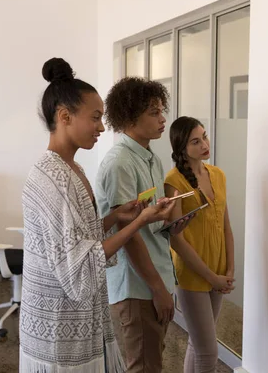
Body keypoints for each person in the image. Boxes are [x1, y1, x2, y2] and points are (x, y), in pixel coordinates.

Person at [20, 58, 175, 373]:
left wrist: (115, 217)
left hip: (77, 318)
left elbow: (81, 235)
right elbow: (77, 264)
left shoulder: (72, 169)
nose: (102, 128)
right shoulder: (54, 177)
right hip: (58, 325)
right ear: (64, 117)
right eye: (95, 118)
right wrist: (138, 222)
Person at [95, 77, 189, 373]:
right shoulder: (120, 163)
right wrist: (159, 289)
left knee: (152, 361)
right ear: (129, 117)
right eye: (154, 113)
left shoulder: (151, 159)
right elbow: (129, 236)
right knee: (144, 366)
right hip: (138, 285)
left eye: (162, 110)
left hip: (156, 274)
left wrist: (170, 218)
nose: (163, 119)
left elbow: (146, 221)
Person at [164, 117, 236, 373]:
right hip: (193, 273)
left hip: (218, 269)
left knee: (199, 344)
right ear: (182, 148)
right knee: (208, 352)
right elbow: (176, 238)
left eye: (204, 137)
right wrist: (211, 277)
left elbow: (226, 226)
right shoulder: (174, 181)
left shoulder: (218, 175)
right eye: (196, 141)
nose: (205, 144)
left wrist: (229, 270)